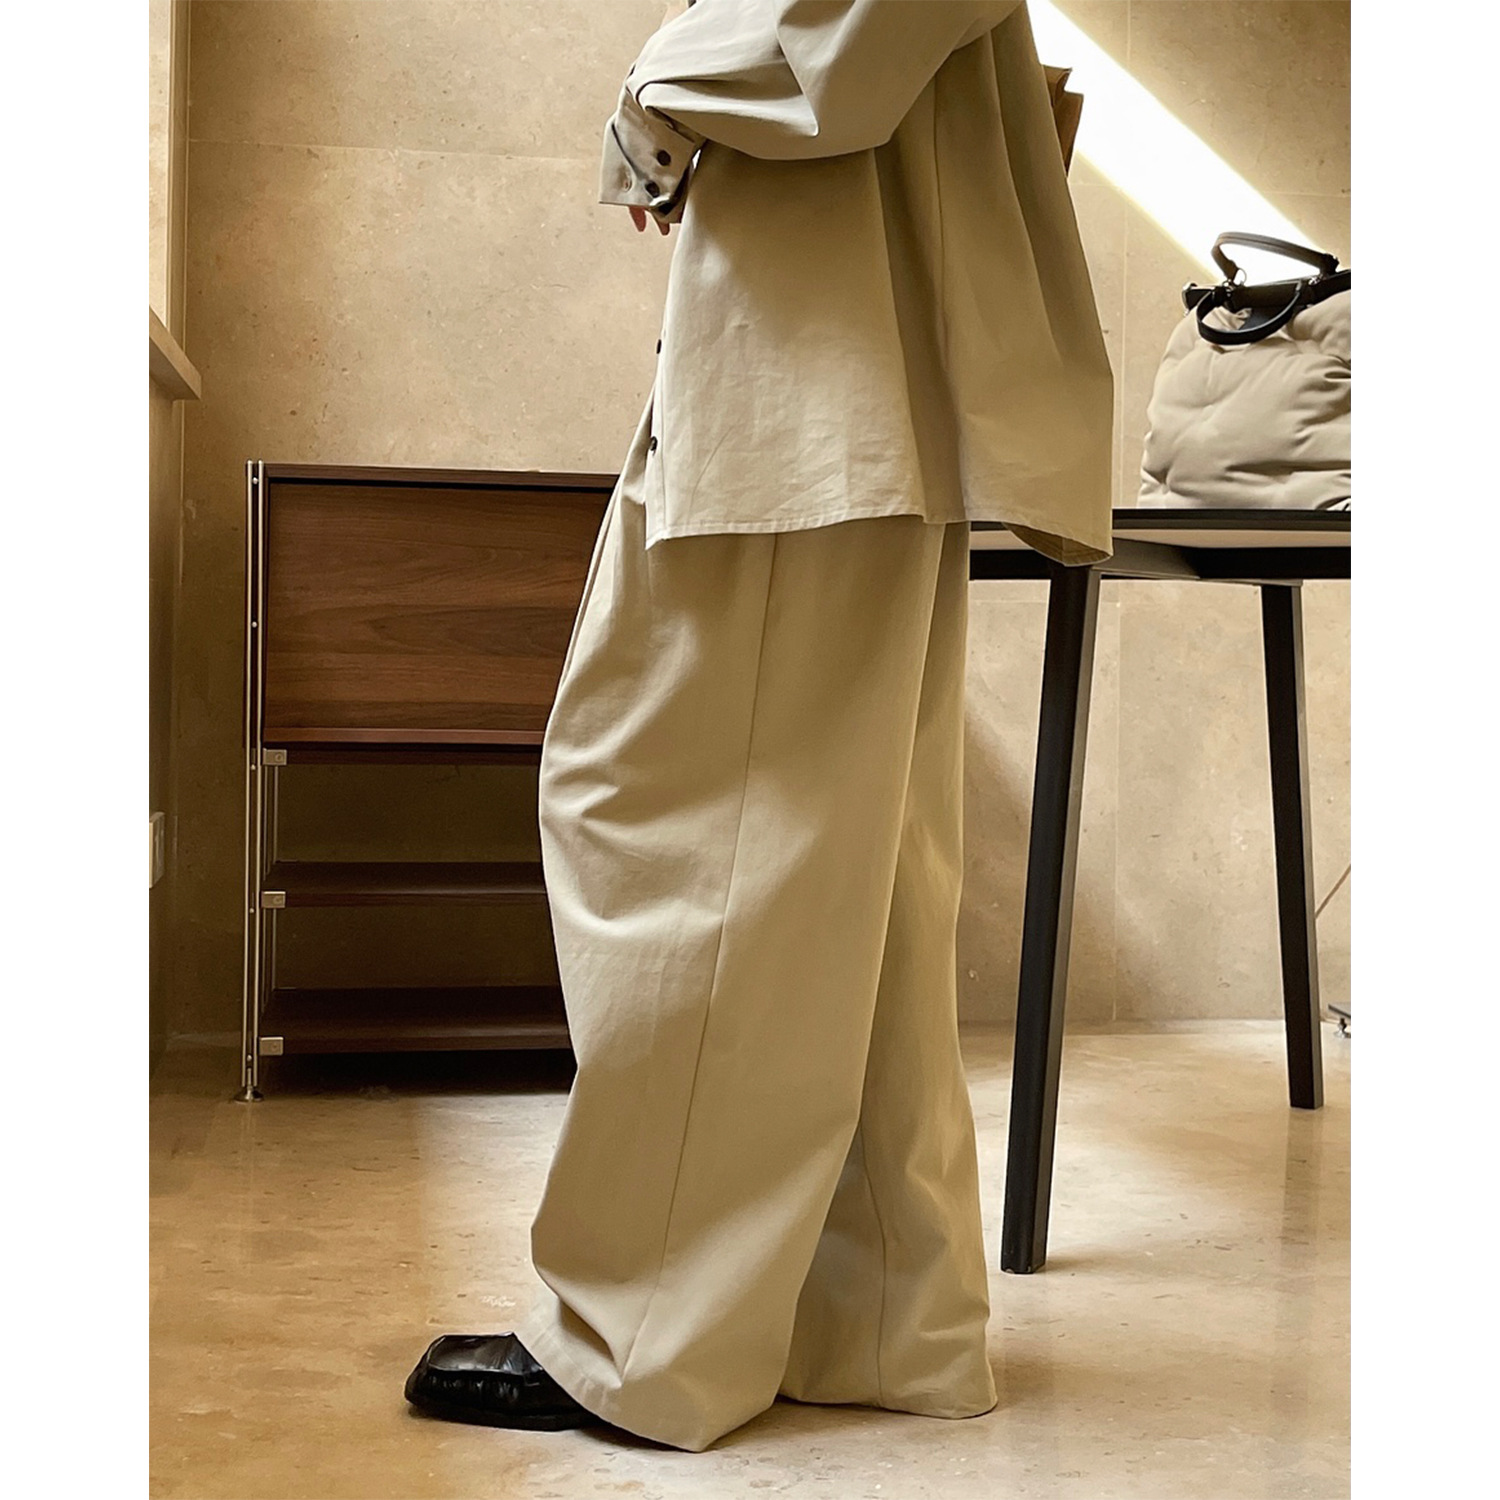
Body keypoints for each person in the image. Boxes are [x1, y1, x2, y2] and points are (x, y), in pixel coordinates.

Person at [405, 0, 1113, 1453]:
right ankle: (876, 1320)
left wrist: (658, 88)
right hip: (865, 340)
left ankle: (644, 1342)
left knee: (682, 823)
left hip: (816, 338)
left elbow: (833, 42)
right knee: (853, 869)